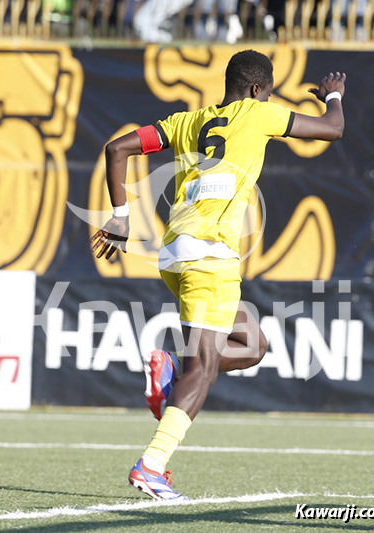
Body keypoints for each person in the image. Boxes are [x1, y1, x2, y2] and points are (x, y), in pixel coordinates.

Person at [91, 49, 346, 500]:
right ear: (256, 89)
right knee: (205, 366)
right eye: (267, 92)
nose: (267, 99)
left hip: (175, 252)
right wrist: (334, 97)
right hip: (210, 255)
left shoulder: (186, 122)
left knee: (253, 345)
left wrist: (120, 216)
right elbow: (333, 129)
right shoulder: (259, 113)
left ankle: (173, 370)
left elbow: (117, 148)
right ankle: (152, 465)